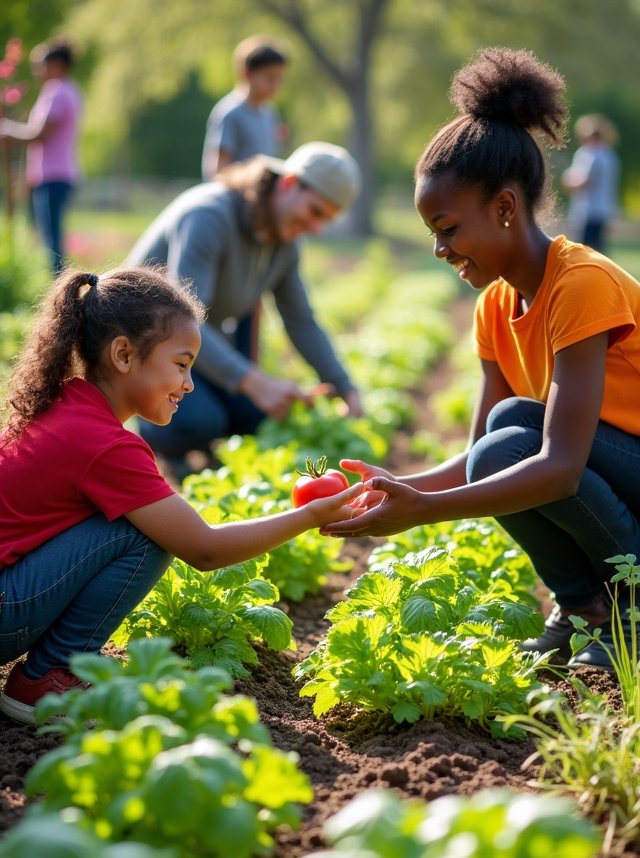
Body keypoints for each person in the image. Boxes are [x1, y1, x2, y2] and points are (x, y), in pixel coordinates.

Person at [321, 47, 640, 673]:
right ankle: (582, 610)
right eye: (433, 233)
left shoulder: (581, 284)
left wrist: (426, 512)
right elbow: (480, 459)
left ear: (504, 208)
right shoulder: (495, 305)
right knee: (503, 436)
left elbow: (562, 468)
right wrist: (400, 489)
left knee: (515, 442)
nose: (440, 249)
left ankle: (632, 609)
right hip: (617, 471)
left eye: (448, 228)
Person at [0, 266, 364, 724]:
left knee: (133, 522)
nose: (189, 384)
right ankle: (47, 677)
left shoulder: (63, 402)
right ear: (124, 355)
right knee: (146, 536)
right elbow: (203, 548)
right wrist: (309, 516)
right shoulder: (106, 445)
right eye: (181, 364)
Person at [126, 141, 364, 481]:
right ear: (288, 183)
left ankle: (200, 443)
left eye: (326, 220)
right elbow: (179, 322)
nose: (316, 228)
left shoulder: (284, 243)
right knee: (202, 422)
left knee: (261, 415)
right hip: (142, 346)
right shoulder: (208, 215)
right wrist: (252, 381)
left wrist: (344, 386)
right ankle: (155, 438)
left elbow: (301, 320)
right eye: (315, 212)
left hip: (185, 348)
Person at [0, 38, 83, 273]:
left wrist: (7, 129)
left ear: (56, 65)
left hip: (53, 175)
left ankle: (60, 292)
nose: (37, 70)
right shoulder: (70, 91)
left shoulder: (57, 92)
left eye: (40, 64)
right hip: (57, 174)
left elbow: (39, 133)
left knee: (52, 241)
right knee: (50, 237)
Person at [202, 35, 288, 181]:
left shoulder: (270, 113)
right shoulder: (231, 112)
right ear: (248, 74)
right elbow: (219, 170)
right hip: (234, 198)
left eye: (279, 79)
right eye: (270, 79)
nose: (275, 86)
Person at [561, 113, 620, 255]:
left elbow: (584, 182)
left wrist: (567, 180)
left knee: (583, 252)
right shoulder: (610, 154)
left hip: (587, 211)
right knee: (597, 252)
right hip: (603, 210)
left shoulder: (590, 154)